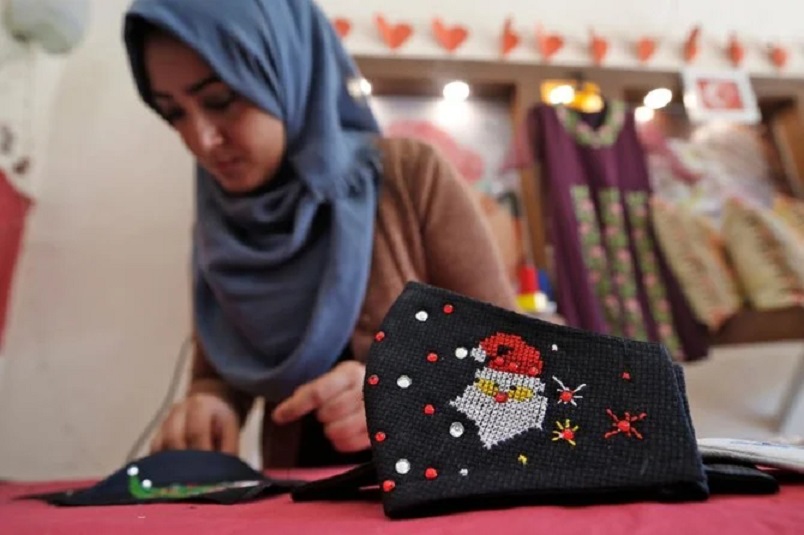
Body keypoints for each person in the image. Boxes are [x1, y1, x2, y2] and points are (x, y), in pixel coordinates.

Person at [122, 0, 517, 468]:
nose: (200, 140)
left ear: (287, 70)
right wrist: (210, 404)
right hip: (297, 499)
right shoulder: (222, 220)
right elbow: (219, 371)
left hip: (435, 487)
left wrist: (400, 392)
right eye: (173, 114)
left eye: (220, 100)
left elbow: (512, 360)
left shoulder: (410, 176)